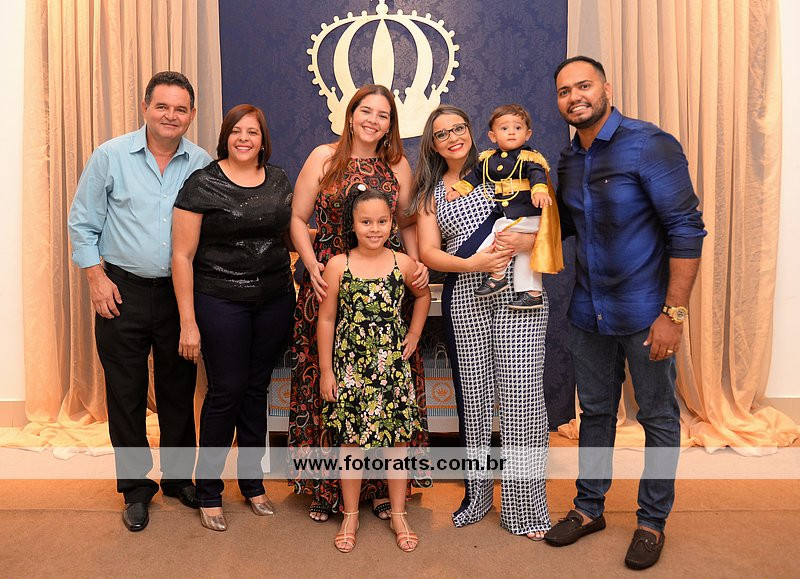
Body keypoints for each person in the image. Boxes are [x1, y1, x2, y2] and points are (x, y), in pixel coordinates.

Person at [544, 56, 706, 570]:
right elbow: (562, 230)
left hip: (645, 314)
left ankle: (652, 522)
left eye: (584, 86)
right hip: (588, 312)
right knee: (595, 413)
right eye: (565, 91)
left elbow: (686, 229)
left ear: (606, 88)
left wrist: (673, 315)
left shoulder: (649, 144)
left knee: (657, 417)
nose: (575, 97)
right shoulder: (567, 160)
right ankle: (589, 508)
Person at [67, 71, 212, 532]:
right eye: (162, 106)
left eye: (180, 109)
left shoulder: (202, 164)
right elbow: (82, 222)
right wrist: (95, 278)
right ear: (145, 107)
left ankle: (178, 479)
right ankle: (134, 488)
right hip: (120, 290)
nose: (171, 115)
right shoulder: (110, 156)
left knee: (178, 389)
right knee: (125, 393)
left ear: (192, 114)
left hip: (179, 295)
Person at [288, 84, 430, 523]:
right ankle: (327, 488)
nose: (373, 120)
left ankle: (383, 490)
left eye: (383, 115)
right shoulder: (323, 157)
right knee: (328, 388)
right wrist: (310, 264)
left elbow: (407, 223)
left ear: (390, 125)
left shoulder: (397, 165)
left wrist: (417, 267)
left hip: (382, 291)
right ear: (350, 115)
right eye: (366, 111)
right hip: (328, 284)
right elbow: (297, 218)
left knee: (385, 394)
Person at [413, 105, 551, 540]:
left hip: (520, 290)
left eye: (458, 128)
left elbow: (550, 222)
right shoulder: (431, 193)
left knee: (521, 398)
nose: (452, 137)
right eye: (441, 134)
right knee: (473, 400)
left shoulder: (506, 165)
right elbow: (428, 253)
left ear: (473, 132)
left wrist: (526, 241)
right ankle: (477, 497)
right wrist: (472, 263)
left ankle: (525, 505)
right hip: (466, 293)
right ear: (433, 145)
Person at [171, 104, 295, 531]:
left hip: (275, 299)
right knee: (226, 391)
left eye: (253, 132)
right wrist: (188, 321)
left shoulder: (278, 179)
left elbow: (287, 233)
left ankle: (253, 484)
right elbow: (182, 256)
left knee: (257, 390)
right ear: (226, 136)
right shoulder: (202, 183)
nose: (244, 138)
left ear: (263, 140)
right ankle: (208, 490)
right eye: (237, 131)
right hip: (220, 300)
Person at [318, 184, 431, 552]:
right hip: (351, 367)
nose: (374, 228)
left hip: (392, 368)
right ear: (352, 224)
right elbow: (326, 319)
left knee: (397, 442)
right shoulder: (339, 265)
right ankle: (350, 514)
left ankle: (399, 513)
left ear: (391, 224)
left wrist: (414, 333)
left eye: (382, 221)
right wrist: (326, 371)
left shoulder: (403, 263)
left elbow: (423, 295)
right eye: (366, 222)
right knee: (351, 442)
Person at [447, 104, 563, 309]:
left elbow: (537, 175)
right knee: (525, 255)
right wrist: (460, 189)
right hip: (515, 214)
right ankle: (532, 294)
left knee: (501, 230)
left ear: (527, 134)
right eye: (504, 128)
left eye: (517, 128)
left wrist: (539, 191)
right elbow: (475, 177)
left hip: (527, 212)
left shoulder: (529, 157)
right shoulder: (489, 160)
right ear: (493, 136)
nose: (511, 132)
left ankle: (498, 276)